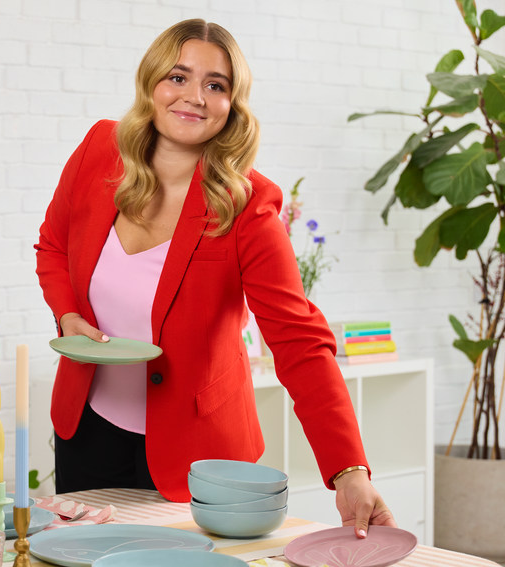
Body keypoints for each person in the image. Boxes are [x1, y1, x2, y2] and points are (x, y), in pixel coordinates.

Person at [34, 18, 396, 537]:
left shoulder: (248, 205)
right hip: (88, 429)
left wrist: (349, 471)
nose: (195, 97)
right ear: (152, 83)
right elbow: (53, 246)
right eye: (178, 77)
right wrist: (68, 316)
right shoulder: (98, 150)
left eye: (215, 85)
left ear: (232, 104)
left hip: (200, 454)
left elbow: (298, 339)